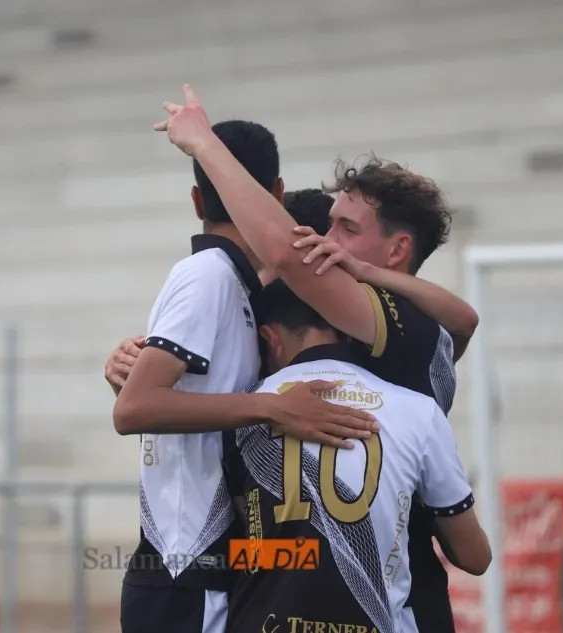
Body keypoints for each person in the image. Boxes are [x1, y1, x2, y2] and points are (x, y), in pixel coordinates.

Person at [152, 85, 480, 633]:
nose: (325, 239)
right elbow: (466, 320)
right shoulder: (370, 330)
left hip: (394, 603)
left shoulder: (399, 324)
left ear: (397, 251)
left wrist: (204, 144)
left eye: (345, 228)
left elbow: (285, 252)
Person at [111, 120, 378, 633]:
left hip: (217, 570)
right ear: (275, 194)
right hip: (183, 577)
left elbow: (166, 396)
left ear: (196, 200)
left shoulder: (238, 286)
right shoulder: (206, 274)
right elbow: (134, 410)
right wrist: (274, 407)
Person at [224, 280, 491, 633]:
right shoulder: (418, 410)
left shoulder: (242, 410)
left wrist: (300, 554)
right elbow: (474, 557)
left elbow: (241, 543)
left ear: (270, 338)